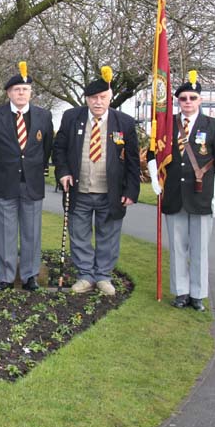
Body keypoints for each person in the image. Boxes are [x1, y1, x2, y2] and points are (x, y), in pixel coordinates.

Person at [147, 71, 215, 311]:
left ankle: (198, 293)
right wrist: (155, 177)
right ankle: (181, 292)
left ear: (200, 100)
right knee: (176, 247)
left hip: (201, 195)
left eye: (192, 98)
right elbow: (154, 152)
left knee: (200, 248)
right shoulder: (166, 125)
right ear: (177, 101)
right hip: (174, 194)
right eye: (183, 98)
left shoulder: (212, 126)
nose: (187, 102)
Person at [53, 66, 140, 295]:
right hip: (79, 190)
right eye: (93, 98)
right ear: (87, 99)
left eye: (102, 97)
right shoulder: (72, 117)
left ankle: (103, 276)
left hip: (111, 192)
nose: (98, 102)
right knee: (79, 234)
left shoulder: (125, 123)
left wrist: (131, 191)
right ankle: (85, 276)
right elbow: (59, 149)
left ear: (110, 97)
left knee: (108, 235)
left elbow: (132, 161)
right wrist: (62, 172)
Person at [0, 62, 54, 292]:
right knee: (5, 233)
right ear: (8, 93)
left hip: (32, 183)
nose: (21, 93)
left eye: (25, 89)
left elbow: (46, 148)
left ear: (31, 92)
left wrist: (34, 168)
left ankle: (29, 276)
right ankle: (5, 277)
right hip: (4, 182)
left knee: (31, 232)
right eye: (16, 90)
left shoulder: (44, 116)